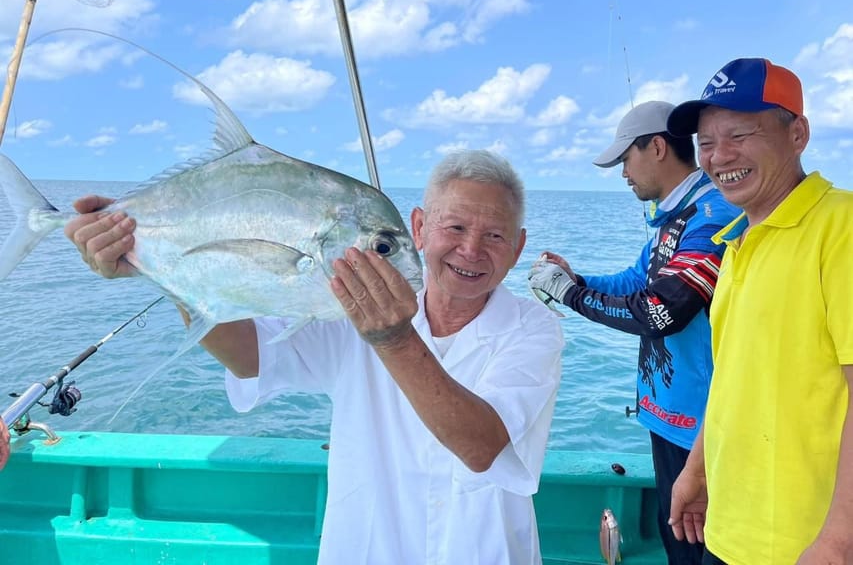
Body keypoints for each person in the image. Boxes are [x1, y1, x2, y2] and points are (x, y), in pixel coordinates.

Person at [64, 149, 564, 565]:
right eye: (454, 227)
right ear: (418, 227)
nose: (471, 250)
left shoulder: (533, 329)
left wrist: (393, 339)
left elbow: (482, 448)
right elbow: (249, 357)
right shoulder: (337, 304)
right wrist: (159, 267)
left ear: (518, 247)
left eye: (494, 235)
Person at [528, 100, 738, 565]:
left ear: (657, 147)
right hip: (670, 417)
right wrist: (576, 280)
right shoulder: (673, 220)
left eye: (626, 158)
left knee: (699, 549)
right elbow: (636, 283)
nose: (623, 173)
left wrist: (571, 297)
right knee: (678, 543)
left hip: (704, 428)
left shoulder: (711, 216)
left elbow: (660, 310)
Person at [666, 58, 853, 564]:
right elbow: (731, 378)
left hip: (802, 545)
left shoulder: (842, 225)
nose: (719, 156)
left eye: (740, 135)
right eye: (705, 143)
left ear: (798, 134)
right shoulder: (735, 243)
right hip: (727, 532)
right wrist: (697, 472)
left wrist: (839, 540)